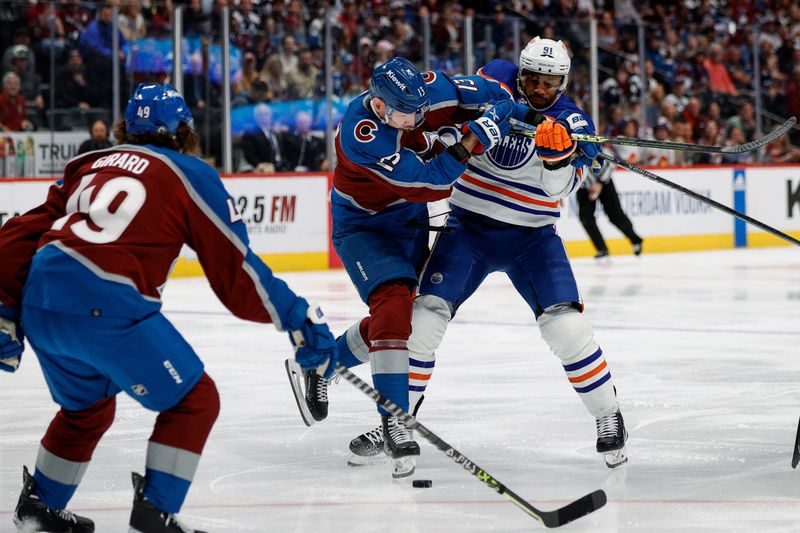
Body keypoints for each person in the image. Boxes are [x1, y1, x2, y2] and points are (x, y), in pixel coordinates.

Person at [0, 83, 337, 532]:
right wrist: (298, 319)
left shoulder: (88, 164)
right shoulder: (188, 173)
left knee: (87, 408)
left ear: (126, 126)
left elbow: (16, 235)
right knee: (194, 400)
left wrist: (5, 309)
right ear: (184, 131)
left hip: (41, 301)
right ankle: (155, 514)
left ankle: (39, 508)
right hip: (107, 300)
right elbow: (237, 274)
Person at [318, 39, 630, 470]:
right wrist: (450, 136)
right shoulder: (494, 83)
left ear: (563, 82)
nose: (540, 89)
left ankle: (608, 417)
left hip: (532, 237)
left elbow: (560, 192)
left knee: (566, 326)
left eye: (550, 82)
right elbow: (453, 113)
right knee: (423, 317)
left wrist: (562, 158)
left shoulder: (571, 121)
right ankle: (398, 421)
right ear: (520, 72)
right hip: (468, 229)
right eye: (533, 78)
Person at [298, 56, 522, 478]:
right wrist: (472, 139)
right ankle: (395, 421)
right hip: (365, 226)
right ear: (379, 107)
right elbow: (431, 184)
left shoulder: (421, 92)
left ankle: (322, 361)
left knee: (396, 319)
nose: (416, 119)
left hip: (408, 221)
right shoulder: (362, 134)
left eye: (420, 110)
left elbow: (488, 92)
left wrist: (520, 114)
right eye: (406, 114)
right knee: (394, 308)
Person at [577, 144, 644, 260]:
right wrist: (591, 184)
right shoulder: (575, 147)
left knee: (616, 215)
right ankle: (602, 249)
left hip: (605, 183)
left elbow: (611, 163)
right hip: (585, 185)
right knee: (585, 217)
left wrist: (601, 183)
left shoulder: (602, 147)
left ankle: (635, 240)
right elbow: (576, 166)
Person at [240, 102, 285, 172]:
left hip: (280, 169)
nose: (267, 117)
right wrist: (260, 165)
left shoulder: (275, 132)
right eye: (263, 114)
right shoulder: (251, 133)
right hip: (263, 170)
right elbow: (249, 154)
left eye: (268, 114)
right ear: (256, 117)